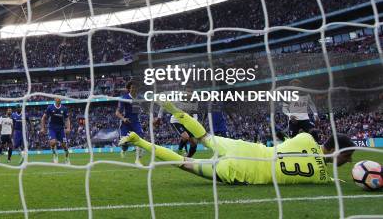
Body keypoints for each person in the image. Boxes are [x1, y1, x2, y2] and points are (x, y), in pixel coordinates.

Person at [120, 101, 355, 185]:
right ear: (336, 151)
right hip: (244, 173)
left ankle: (175, 111)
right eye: (347, 156)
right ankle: (140, 141)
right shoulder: (322, 178)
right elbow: (323, 171)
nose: (348, 161)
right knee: (185, 162)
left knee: (203, 137)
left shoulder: (305, 139)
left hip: (248, 150)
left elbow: (299, 143)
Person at [115, 81, 144, 165]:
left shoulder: (139, 98)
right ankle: (124, 150)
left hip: (136, 123)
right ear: (129, 89)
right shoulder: (124, 98)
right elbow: (117, 112)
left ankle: (137, 161)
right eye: (132, 87)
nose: (134, 89)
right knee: (124, 144)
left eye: (136, 87)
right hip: (126, 123)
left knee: (140, 140)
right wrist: (123, 119)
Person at [40, 97, 71, 164]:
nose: (59, 99)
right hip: (52, 128)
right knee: (53, 142)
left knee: (64, 145)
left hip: (61, 128)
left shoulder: (64, 108)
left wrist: (68, 128)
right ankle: (55, 155)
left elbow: (67, 119)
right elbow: (43, 118)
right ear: (55, 99)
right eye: (57, 98)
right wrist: (42, 128)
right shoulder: (50, 107)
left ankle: (67, 158)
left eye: (60, 98)